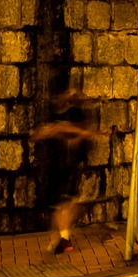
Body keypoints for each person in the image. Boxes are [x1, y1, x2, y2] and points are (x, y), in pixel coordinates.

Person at [32, 90, 99, 254]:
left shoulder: (74, 114)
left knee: (63, 205)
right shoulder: (59, 113)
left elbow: (77, 132)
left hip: (68, 165)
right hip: (60, 165)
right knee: (62, 206)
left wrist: (57, 129)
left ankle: (63, 239)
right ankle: (62, 238)